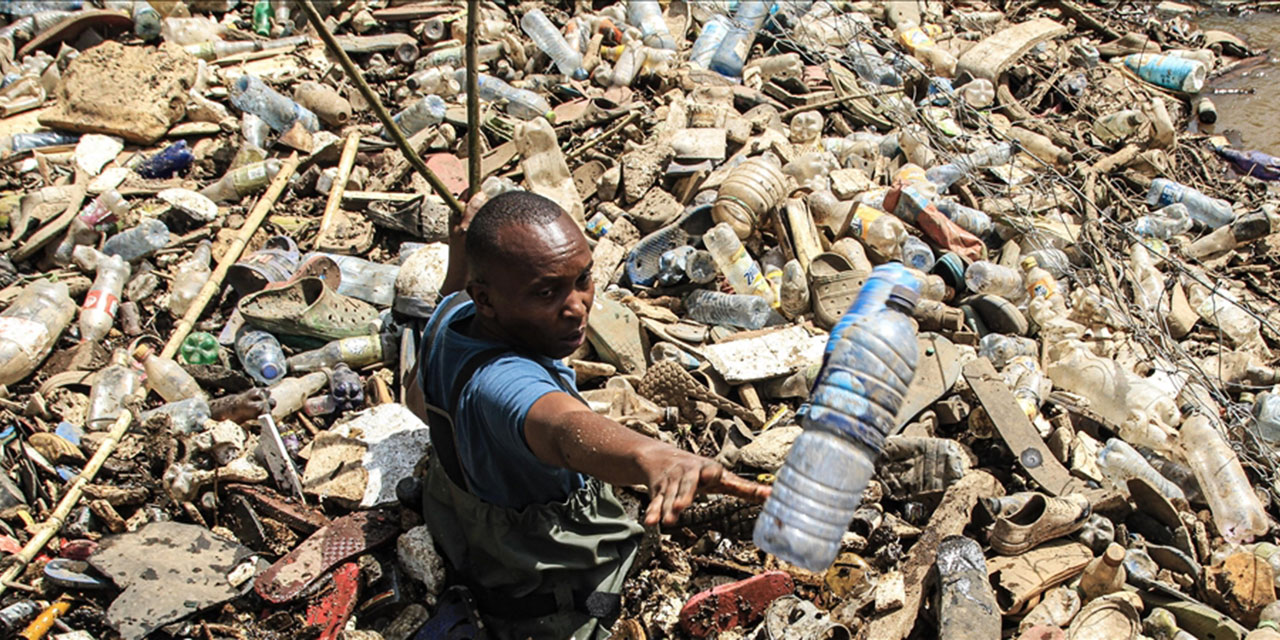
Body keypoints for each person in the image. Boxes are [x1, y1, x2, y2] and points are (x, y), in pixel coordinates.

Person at [406, 190, 770, 639]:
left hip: (463, 528)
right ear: (485, 299)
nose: (577, 306)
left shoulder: (451, 315)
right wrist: (654, 455)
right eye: (546, 292)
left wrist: (460, 254)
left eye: (583, 279)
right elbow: (563, 430)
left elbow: (417, 394)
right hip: (538, 593)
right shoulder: (500, 384)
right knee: (610, 608)